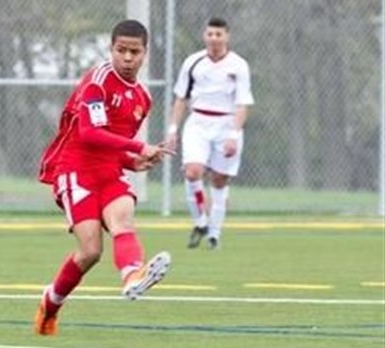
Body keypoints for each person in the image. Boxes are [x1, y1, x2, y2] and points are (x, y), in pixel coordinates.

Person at [35, 19, 174, 336]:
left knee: (123, 218)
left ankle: (132, 276)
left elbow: (112, 144)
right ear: (111, 49)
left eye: (134, 52)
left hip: (108, 172)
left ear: (145, 53)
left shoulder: (142, 98)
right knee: (90, 251)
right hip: (74, 169)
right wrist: (139, 147)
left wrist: (131, 161)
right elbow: (89, 133)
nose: (127, 58)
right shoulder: (97, 82)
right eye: (121, 50)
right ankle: (50, 303)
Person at [166, 17, 254, 250]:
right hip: (198, 123)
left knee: (219, 179)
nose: (214, 39)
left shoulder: (238, 65)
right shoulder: (193, 62)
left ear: (227, 37)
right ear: (205, 36)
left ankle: (214, 233)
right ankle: (200, 222)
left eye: (219, 34)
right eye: (210, 34)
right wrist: (173, 129)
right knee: (193, 171)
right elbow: (181, 98)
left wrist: (234, 135)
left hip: (226, 125)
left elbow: (243, 103)